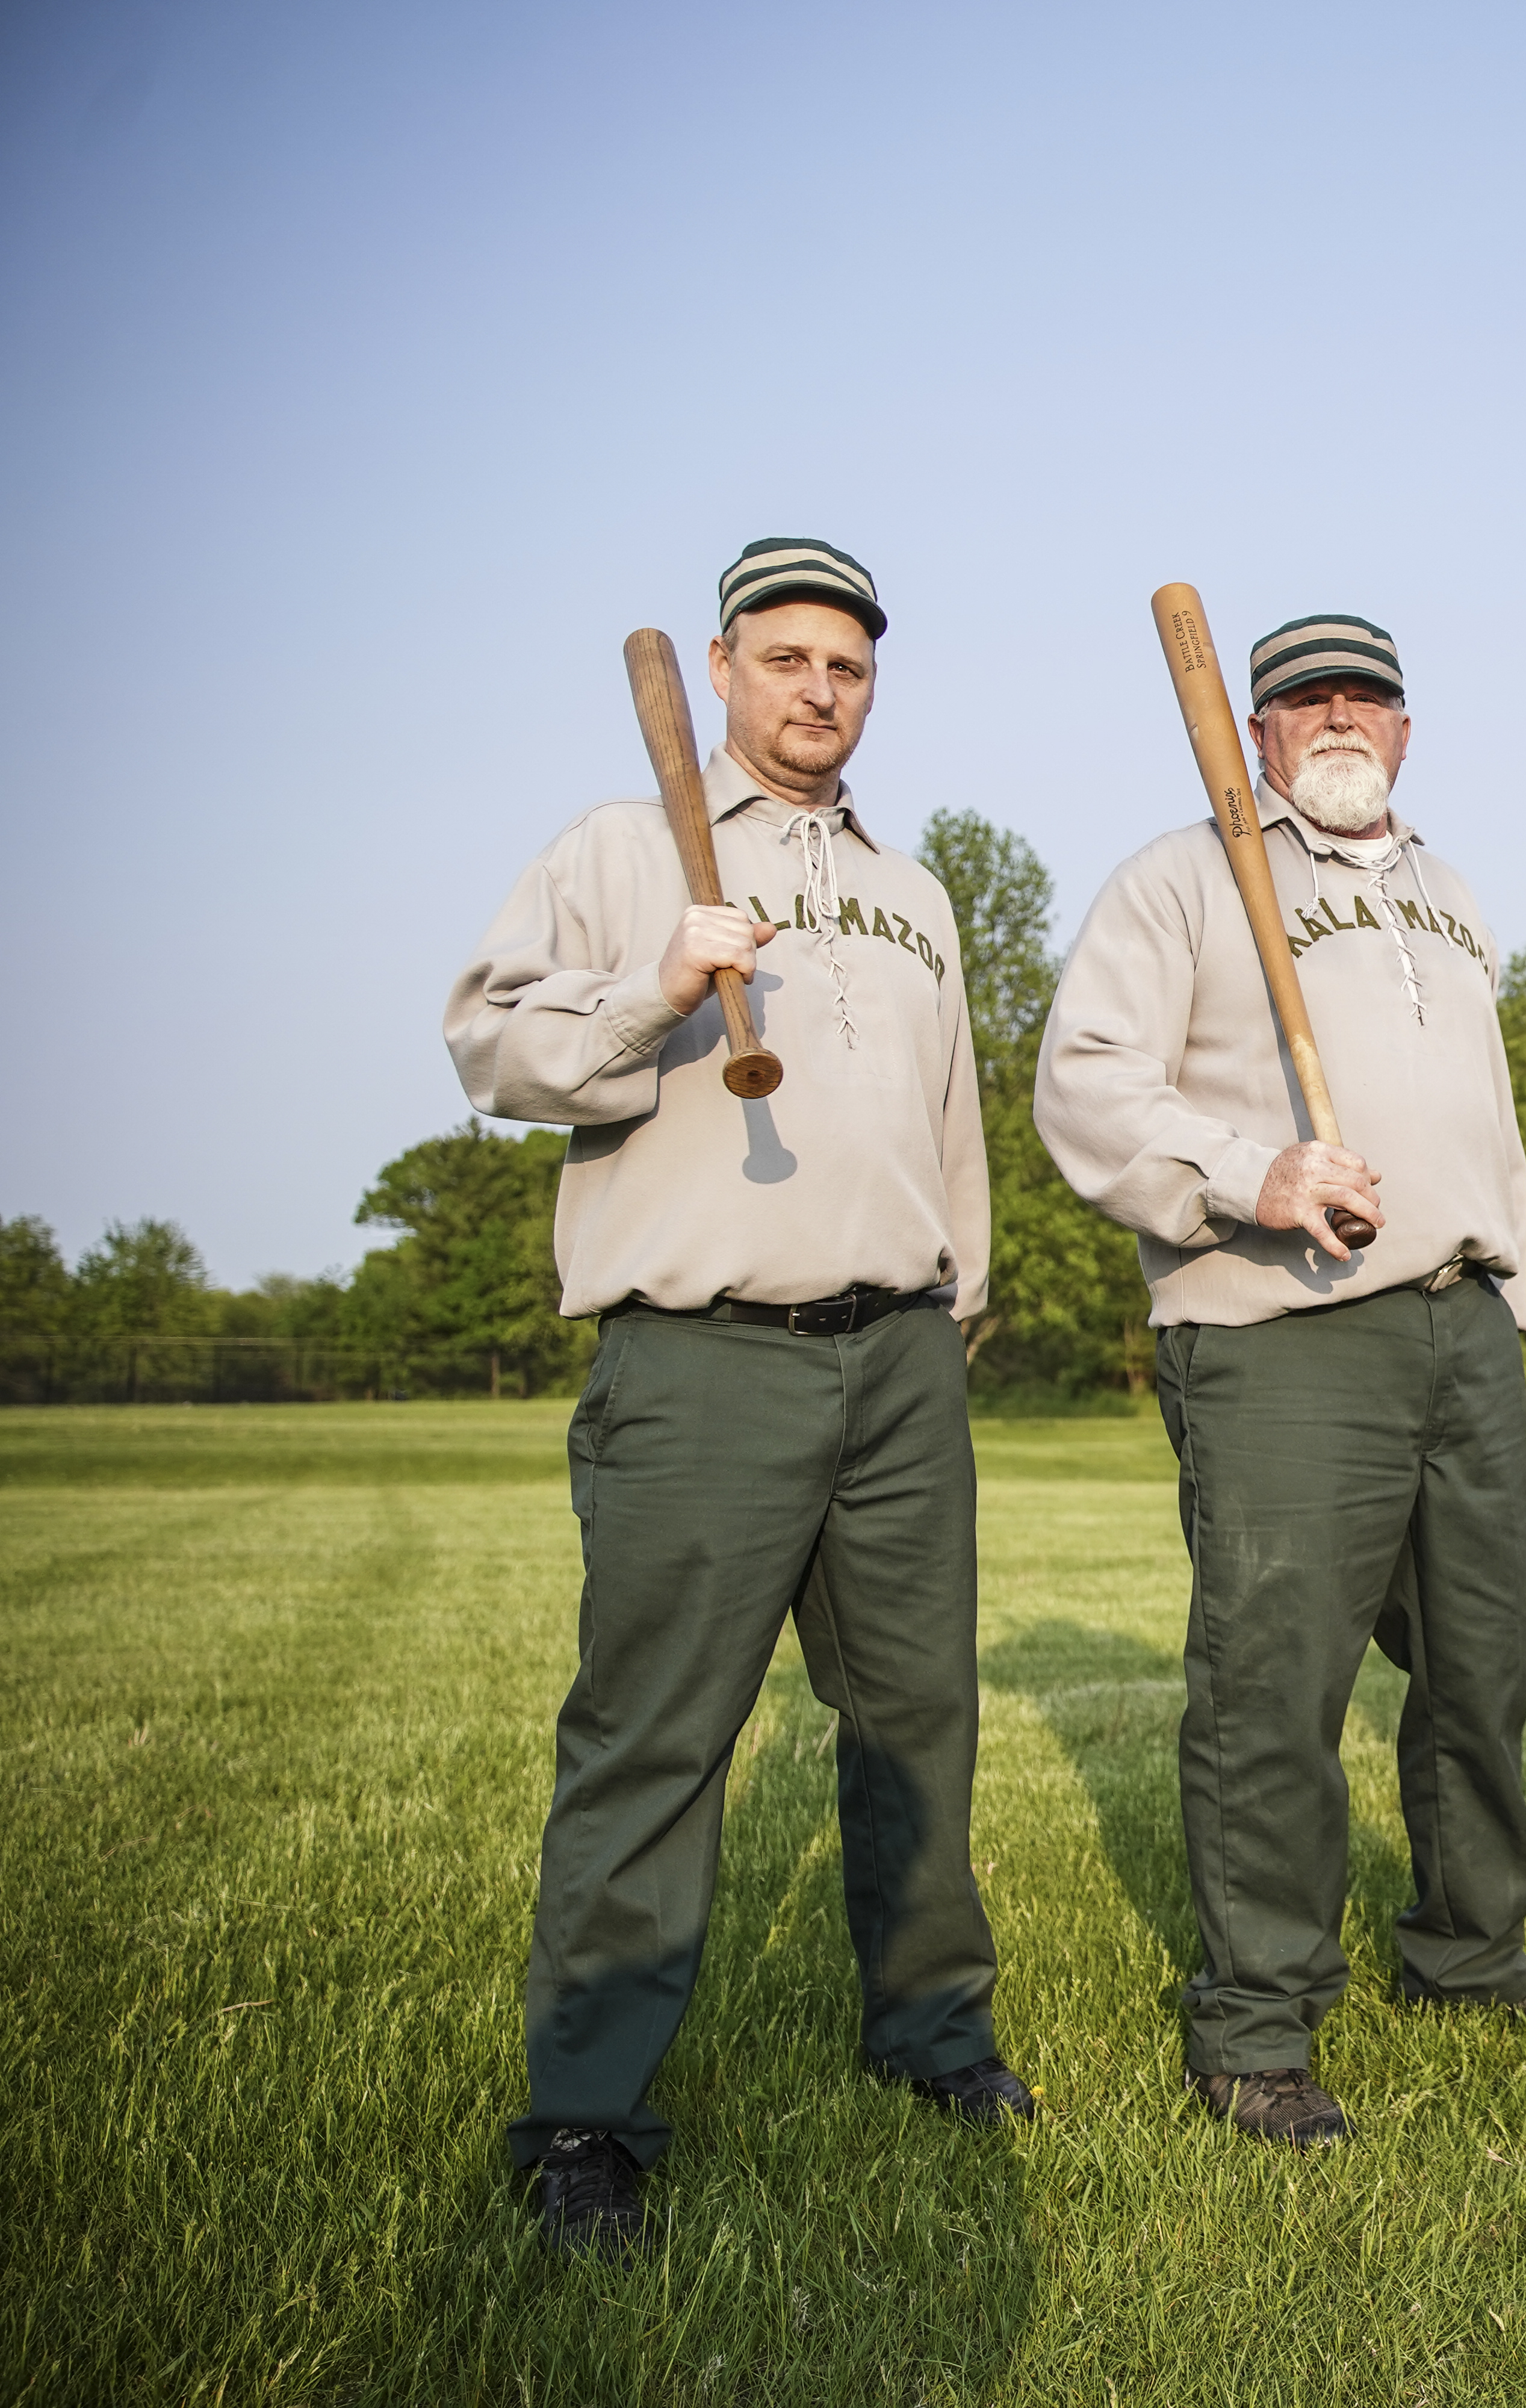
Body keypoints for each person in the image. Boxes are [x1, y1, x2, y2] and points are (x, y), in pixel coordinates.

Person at [448, 536, 1030, 2260]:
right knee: (656, 1741)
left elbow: (952, 1132)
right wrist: (655, 984)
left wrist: (954, 1304)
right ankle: (587, 2118)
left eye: (846, 666)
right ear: (722, 669)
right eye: (785, 660)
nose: (818, 690)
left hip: (902, 1362)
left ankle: (932, 2039)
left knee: (919, 1721)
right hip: (703, 1360)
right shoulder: (625, 852)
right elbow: (490, 1049)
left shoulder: (912, 892)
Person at [1033, 611, 1526, 2151]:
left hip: (1461, 1320)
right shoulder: (1185, 874)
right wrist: (1250, 1170)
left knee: (1482, 1666)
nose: (1339, 716)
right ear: (1265, 731)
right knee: (1273, 1685)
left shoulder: (1448, 889)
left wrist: (1507, 1282)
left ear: (1408, 730)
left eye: (1368, 696)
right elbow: (1085, 1083)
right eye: (1303, 699)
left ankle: (1470, 1952)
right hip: (1284, 1328)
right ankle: (1254, 2023)